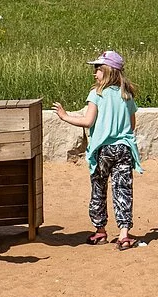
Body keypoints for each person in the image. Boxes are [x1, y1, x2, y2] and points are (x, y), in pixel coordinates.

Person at [53, 50, 142, 249]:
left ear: (108, 71)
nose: (94, 73)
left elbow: (88, 121)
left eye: (97, 69)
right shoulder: (126, 95)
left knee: (98, 188)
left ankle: (100, 231)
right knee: (123, 190)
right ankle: (124, 234)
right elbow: (132, 124)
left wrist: (65, 116)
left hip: (103, 150)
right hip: (124, 148)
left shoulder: (97, 94)